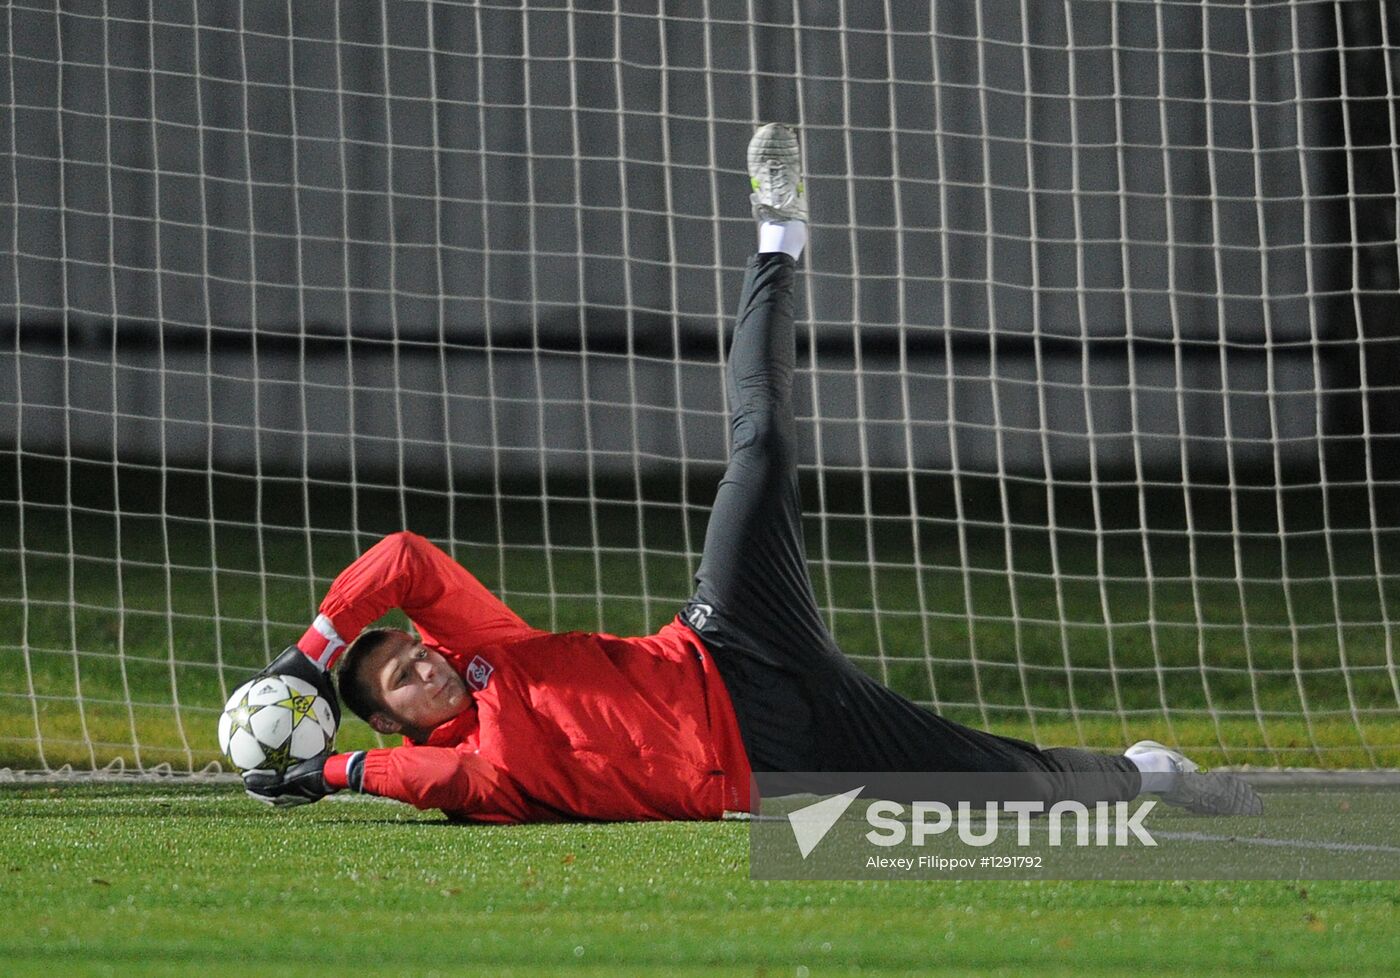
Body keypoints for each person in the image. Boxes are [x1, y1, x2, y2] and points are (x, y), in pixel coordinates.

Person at [242, 125, 1261, 822]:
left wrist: (308, 653)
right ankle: (1147, 775)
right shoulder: (477, 775)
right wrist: (327, 770)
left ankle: (776, 239)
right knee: (999, 784)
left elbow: (408, 559)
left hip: (724, 640)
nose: (421, 667)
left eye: (411, 654)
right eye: (397, 680)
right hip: (769, 765)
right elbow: (425, 782)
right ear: (388, 720)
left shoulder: (487, 654)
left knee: (761, 446)